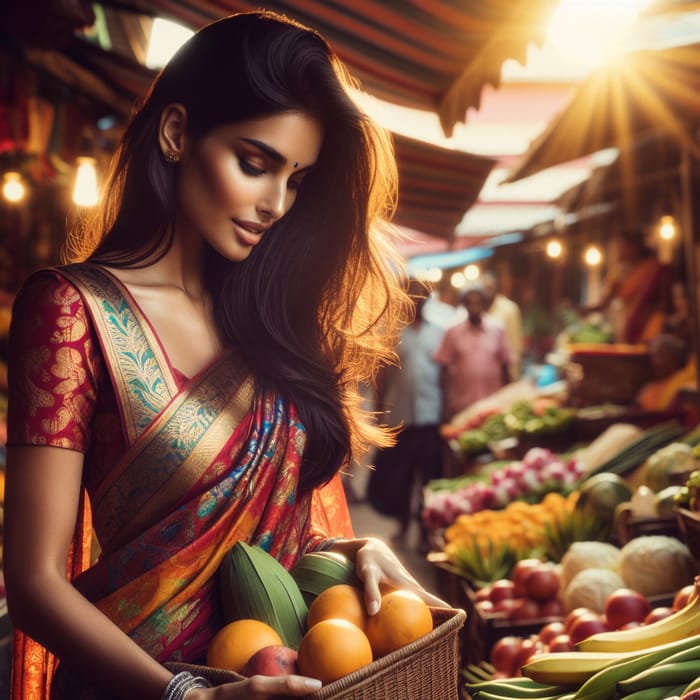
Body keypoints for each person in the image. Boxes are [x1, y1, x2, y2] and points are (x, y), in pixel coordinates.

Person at [3, 12, 445, 700]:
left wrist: (356, 553)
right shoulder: (71, 311)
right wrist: (185, 696)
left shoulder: (273, 324)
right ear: (178, 134)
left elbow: (261, 556)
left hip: (287, 677)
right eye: (255, 163)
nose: (274, 204)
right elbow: (32, 583)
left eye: (296, 180)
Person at [367, 279, 443, 546]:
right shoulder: (392, 334)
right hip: (400, 416)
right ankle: (402, 524)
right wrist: (378, 414)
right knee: (401, 476)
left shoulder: (439, 333)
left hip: (431, 415)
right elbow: (381, 376)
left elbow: (445, 374)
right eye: (413, 295)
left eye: (422, 296)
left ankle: (425, 530)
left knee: (429, 477)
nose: (418, 300)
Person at [433, 284, 512, 421]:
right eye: (470, 303)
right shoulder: (452, 331)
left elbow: (505, 366)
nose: (474, 307)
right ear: (464, 305)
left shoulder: (497, 329)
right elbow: (443, 370)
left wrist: (507, 399)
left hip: (492, 405)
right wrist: (444, 406)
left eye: (478, 303)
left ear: (485, 304)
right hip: (462, 407)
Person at [581, 230, 666, 344]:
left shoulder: (653, 269)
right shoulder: (618, 274)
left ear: (635, 247)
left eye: (623, 247)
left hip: (654, 328)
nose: (619, 251)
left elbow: (664, 301)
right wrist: (585, 310)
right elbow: (604, 304)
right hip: (629, 327)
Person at [635, 333, 697, 413]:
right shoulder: (650, 387)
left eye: (660, 356)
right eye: (652, 356)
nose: (654, 362)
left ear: (674, 357)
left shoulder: (684, 384)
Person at [481, 271, 523, 381]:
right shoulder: (478, 309)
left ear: (496, 288)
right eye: (484, 288)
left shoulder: (509, 308)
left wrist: (513, 372)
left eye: (490, 287)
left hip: (504, 367)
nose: (487, 291)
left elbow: (515, 343)